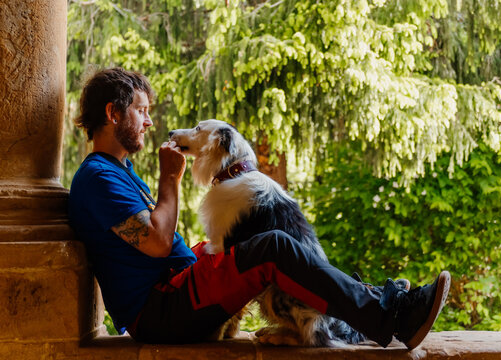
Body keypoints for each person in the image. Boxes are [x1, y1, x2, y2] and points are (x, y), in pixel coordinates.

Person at [68, 67, 450, 349]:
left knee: (264, 242)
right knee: (274, 246)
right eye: (141, 110)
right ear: (113, 114)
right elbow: (156, 243)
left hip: (179, 292)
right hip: (163, 312)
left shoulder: (118, 171)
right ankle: (390, 316)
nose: (150, 122)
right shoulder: (99, 177)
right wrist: (170, 179)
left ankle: (370, 308)